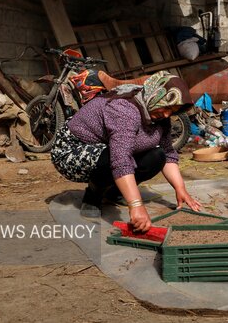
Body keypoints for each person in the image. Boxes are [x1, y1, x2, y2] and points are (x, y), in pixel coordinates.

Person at [51, 71, 201, 232]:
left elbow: (168, 152)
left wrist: (180, 189)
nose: (166, 114)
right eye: (166, 106)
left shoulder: (160, 117)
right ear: (155, 95)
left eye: (172, 110)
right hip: (71, 150)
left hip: (108, 149)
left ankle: (113, 192)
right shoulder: (125, 109)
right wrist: (136, 205)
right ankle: (93, 197)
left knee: (157, 157)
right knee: (113, 158)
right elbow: (120, 159)